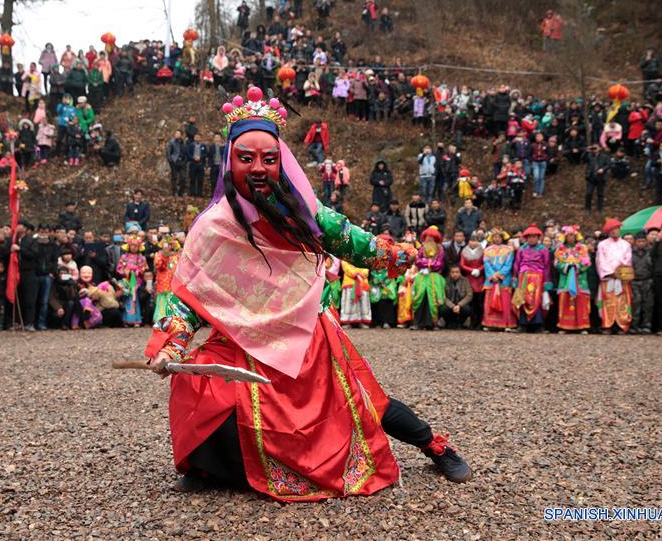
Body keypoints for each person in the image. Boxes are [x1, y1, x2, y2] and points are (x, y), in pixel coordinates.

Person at [143, 86, 471, 499]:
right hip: (241, 338)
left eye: (268, 159)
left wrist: (397, 253)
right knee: (200, 383)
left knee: (365, 400)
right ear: (230, 162)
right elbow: (189, 295)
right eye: (246, 159)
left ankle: (433, 445)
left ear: (282, 162)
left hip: (306, 332)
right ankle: (212, 469)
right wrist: (171, 344)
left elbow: (356, 243)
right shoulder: (211, 227)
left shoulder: (307, 214)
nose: (258, 168)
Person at [595, 219, 633, 334]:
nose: (614, 231)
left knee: (622, 301)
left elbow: (628, 260)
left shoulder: (626, 244)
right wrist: (610, 272)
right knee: (608, 301)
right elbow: (600, 260)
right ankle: (607, 324)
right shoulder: (602, 245)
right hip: (608, 277)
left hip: (622, 278)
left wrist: (621, 272)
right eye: (612, 230)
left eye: (616, 229)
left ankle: (622, 324)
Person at [512, 225, 552, 332]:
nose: (532, 239)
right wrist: (515, 278)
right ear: (526, 238)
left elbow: (547, 265)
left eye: (534, 237)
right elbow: (516, 264)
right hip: (523, 276)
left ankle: (538, 325)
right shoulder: (522, 249)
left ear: (538, 238)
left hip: (538, 276)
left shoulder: (543, 250)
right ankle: (522, 324)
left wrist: (547, 281)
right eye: (529, 237)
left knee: (536, 300)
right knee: (522, 299)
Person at [554, 226, 591, 333]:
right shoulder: (560, 250)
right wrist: (567, 267)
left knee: (580, 302)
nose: (571, 237)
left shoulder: (583, 249)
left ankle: (582, 326)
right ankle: (565, 326)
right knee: (566, 302)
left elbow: (587, 262)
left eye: (573, 235)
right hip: (565, 279)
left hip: (580, 279)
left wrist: (577, 267)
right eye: (568, 235)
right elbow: (557, 263)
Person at [411, 227, 446, 330]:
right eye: (427, 237)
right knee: (420, 296)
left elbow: (439, 264)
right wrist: (429, 263)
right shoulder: (422, 248)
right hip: (422, 276)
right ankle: (417, 322)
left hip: (434, 277)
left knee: (432, 298)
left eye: (431, 237)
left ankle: (431, 323)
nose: (429, 239)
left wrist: (426, 263)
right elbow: (418, 261)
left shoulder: (440, 249)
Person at [482, 229, 516, 331]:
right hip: (491, 279)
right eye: (495, 237)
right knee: (489, 301)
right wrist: (492, 275)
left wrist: (500, 274)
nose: (497, 239)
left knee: (505, 301)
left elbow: (509, 264)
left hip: (504, 279)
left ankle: (506, 324)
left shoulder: (509, 249)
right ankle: (489, 323)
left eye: (498, 237)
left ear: (502, 238)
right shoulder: (487, 250)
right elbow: (486, 263)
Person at [629, 232, 654, 335]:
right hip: (634, 281)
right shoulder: (630, 253)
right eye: (639, 241)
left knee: (648, 304)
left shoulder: (650, 252)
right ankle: (634, 326)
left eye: (643, 241)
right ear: (635, 242)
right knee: (636, 304)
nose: (641, 243)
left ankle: (646, 326)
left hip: (647, 280)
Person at [459, 233, 485, 329]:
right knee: (471, 302)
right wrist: (471, 270)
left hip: (480, 278)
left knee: (480, 302)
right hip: (469, 278)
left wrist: (479, 270)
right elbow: (462, 264)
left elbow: (485, 262)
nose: (473, 243)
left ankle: (480, 321)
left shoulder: (482, 251)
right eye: (472, 241)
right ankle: (472, 322)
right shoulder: (464, 252)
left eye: (475, 241)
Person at [441, 264, 473, 329]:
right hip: (450, 304)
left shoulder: (465, 280)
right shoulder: (445, 281)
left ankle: (460, 323)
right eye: (453, 272)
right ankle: (450, 323)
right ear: (449, 273)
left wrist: (459, 305)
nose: (455, 274)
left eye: (457, 272)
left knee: (467, 309)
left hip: (461, 304)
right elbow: (442, 296)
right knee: (443, 309)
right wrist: (452, 306)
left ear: (460, 273)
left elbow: (469, 295)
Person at [166, 130, 187, 197]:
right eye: (176, 133)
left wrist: (185, 160)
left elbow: (185, 152)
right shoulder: (171, 142)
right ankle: (174, 191)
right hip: (174, 161)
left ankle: (181, 191)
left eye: (178, 133)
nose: (177, 135)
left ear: (181, 135)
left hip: (182, 162)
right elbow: (168, 152)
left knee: (183, 177)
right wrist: (171, 161)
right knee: (174, 177)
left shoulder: (183, 143)